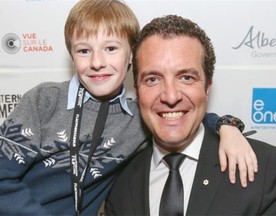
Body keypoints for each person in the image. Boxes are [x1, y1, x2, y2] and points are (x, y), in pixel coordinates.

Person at [0, 1, 256, 215]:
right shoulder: (44, 101)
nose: (97, 62)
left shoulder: (136, 119)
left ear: (131, 55)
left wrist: (227, 127)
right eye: (84, 51)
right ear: (71, 55)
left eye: (110, 49)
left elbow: (184, 114)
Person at [105, 15, 276, 215]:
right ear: (137, 90)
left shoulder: (261, 168)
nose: (171, 96)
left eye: (186, 77)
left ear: (207, 87)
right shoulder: (118, 179)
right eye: (153, 79)